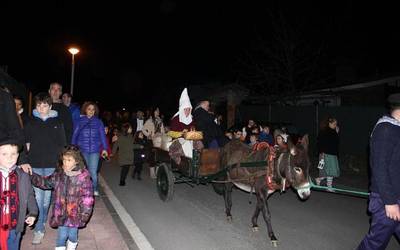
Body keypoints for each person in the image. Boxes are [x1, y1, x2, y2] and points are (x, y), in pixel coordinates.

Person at [357, 93, 400, 249]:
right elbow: (380, 167)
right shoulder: (386, 129)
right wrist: (390, 202)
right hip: (387, 200)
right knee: (374, 244)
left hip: (395, 197)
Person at [31, 145, 94, 250]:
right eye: (64, 160)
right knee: (61, 236)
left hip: (75, 215)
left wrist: (84, 215)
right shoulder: (59, 174)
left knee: (72, 236)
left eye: (69, 160)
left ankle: (72, 246)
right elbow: (46, 182)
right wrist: (31, 176)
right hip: (61, 214)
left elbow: (88, 198)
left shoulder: (83, 177)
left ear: (77, 161)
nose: (65, 163)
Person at [24, 92, 67, 245]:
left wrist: (62, 164)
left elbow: (62, 144)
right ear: (36, 106)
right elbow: (27, 144)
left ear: (50, 106)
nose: (42, 108)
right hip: (35, 164)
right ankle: (39, 229)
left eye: (45, 105)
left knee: (46, 199)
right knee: (37, 197)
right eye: (39, 105)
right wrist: (27, 161)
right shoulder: (30, 122)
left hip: (51, 165)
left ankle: (42, 221)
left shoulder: (57, 122)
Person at [0, 137, 38, 250]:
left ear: (18, 155)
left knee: (13, 245)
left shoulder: (22, 175)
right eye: (4, 154)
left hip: (15, 221)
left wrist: (33, 213)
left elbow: (30, 195)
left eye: (13, 154)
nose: (10, 158)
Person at [72, 101, 109, 197]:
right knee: (83, 172)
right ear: (85, 110)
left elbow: (102, 136)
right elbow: (74, 135)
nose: (91, 111)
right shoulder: (79, 121)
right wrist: (72, 148)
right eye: (89, 109)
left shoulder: (98, 122)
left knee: (93, 172)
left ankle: (94, 188)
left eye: (93, 109)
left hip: (95, 151)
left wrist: (105, 148)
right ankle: (83, 190)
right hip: (82, 150)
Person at [315, 117, 340, 191]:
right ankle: (329, 187)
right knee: (328, 171)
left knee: (332, 171)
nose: (336, 125)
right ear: (329, 123)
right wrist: (322, 152)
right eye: (334, 124)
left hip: (333, 154)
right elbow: (320, 143)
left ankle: (319, 180)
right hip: (326, 154)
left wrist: (337, 133)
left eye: (336, 124)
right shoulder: (324, 131)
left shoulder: (334, 131)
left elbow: (336, 143)